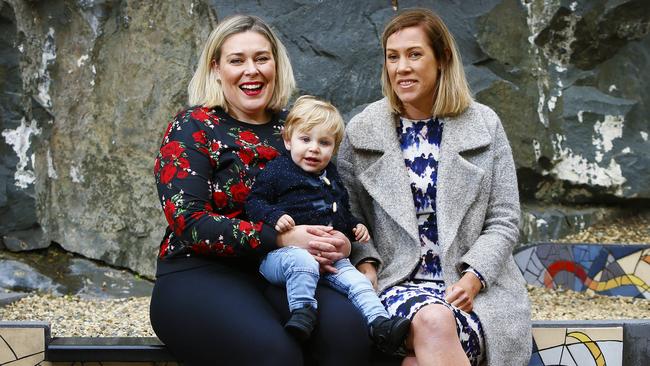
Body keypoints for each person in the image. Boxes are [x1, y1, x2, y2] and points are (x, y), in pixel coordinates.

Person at [150, 15, 371, 366]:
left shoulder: (295, 129)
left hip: (284, 271)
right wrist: (281, 238)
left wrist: (342, 240)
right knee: (274, 355)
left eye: (261, 58)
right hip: (199, 272)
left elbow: (331, 197)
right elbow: (189, 222)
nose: (251, 70)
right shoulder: (193, 126)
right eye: (237, 60)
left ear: (276, 65)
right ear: (216, 69)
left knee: (349, 336)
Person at [337, 8, 532, 366]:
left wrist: (474, 277)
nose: (402, 67)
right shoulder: (363, 131)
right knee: (431, 319)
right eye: (393, 57)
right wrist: (365, 262)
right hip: (396, 283)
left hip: (471, 289)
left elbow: (504, 218)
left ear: (442, 59)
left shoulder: (484, 125)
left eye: (414, 54)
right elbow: (349, 216)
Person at [245, 95, 411, 353]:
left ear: (333, 149)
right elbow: (254, 203)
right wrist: (273, 217)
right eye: (305, 139)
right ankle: (303, 312)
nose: (314, 149)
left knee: (358, 282)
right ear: (288, 141)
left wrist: (355, 226)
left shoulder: (331, 175)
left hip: (332, 260)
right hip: (282, 257)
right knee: (304, 262)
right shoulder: (278, 170)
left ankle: (380, 323)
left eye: (324, 143)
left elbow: (341, 209)